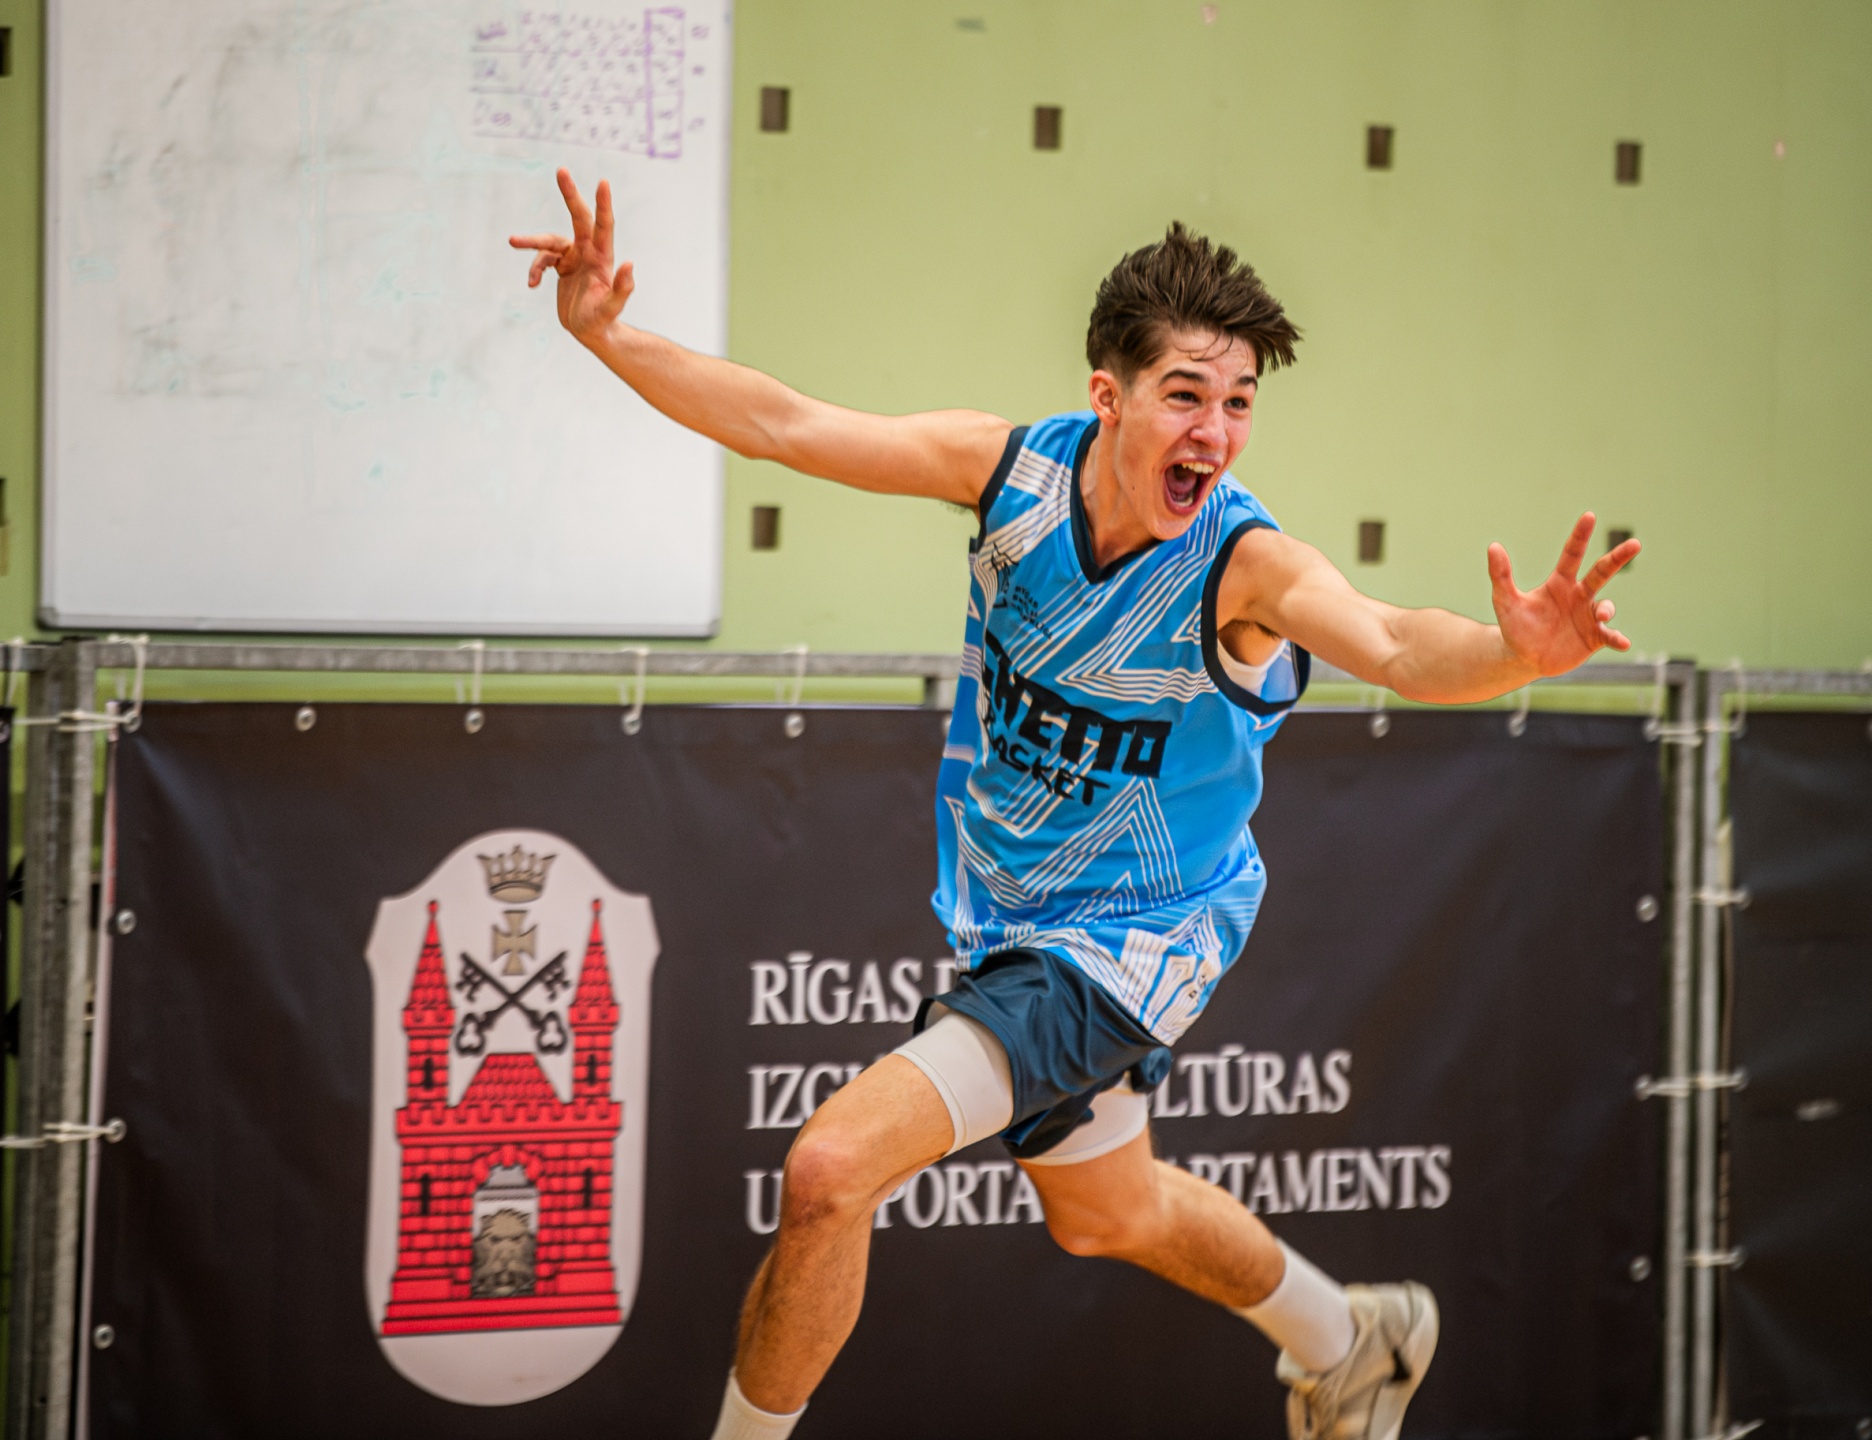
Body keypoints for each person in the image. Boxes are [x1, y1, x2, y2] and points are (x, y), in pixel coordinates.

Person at [512, 170, 1642, 1440]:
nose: (1215, 432)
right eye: (1186, 395)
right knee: (1112, 1213)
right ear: (1108, 397)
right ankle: (1351, 1341)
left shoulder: (1243, 564)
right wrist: (609, 336)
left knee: (829, 1170)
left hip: (1136, 940)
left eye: (1239, 402)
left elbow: (1389, 641)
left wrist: (1512, 656)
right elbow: (783, 422)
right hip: (1018, 922)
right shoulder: (1008, 477)